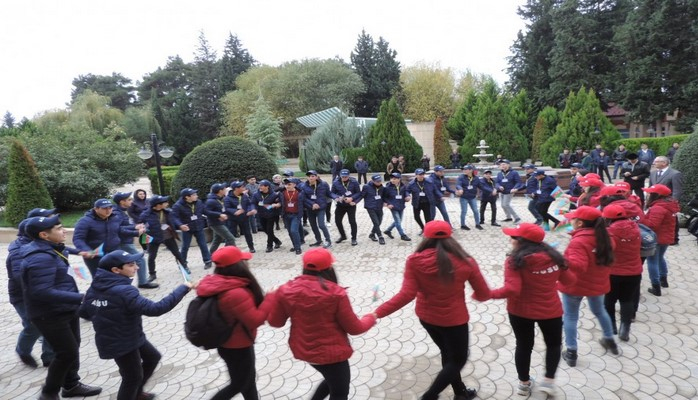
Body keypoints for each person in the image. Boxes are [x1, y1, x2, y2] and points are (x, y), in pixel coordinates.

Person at [373, 221, 490, 400]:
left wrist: (376, 313)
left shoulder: (414, 260)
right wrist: (479, 296)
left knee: (448, 354)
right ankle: (429, 396)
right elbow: (482, 293)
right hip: (454, 321)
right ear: (450, 236)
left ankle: (460, 393)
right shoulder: (466, 261)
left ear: (426, 237)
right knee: (458, 359)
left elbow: (406, 294)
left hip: (427, 318)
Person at [79, 250, 195, 400]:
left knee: (152, 357)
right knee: (132, 377)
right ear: (116, 270)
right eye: (131, 265)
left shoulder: (95, 286)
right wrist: (183, 288)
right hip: (121, 341)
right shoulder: (125, 291)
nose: (137, 267)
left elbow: (84, 312)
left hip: (128, 335)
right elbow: (156, 309)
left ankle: (137, 393)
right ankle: (133, 394)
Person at [267, 248, 376, 400]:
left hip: (305, 350)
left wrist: (271, 298)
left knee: (332, 380)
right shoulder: (337, 294)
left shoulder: (285, 291)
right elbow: (355, 328)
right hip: (332, 354)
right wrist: (371, 317)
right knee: (339, 392)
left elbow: (275, 322)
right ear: (330, 268)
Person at [485, 223, 573, 397]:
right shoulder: (555, 257)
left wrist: (488, 294)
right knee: (554, 345)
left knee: (524, 345)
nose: (510, 240)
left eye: (513, 237)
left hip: (520, 310)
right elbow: (569, 280)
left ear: (522, 241)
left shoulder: (514, 261)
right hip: (550, 310)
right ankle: (548, 382)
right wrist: (550, 285)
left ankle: (524, 384)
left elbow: (512, 289)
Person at [20, 215, 102, 399]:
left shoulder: (52, 248)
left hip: (66, 307)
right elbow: (41, 292)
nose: (64, 230)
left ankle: (71, 385)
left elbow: (65, 250)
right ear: (44, 235)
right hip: (49, 314)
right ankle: (48, 393)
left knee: (73, 348)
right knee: (65, 352)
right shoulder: (40, 258)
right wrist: (81, 297)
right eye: (58, 228)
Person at [197, 246, 271, 400]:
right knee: (239, 384)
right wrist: (270, 299)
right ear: (237, 266)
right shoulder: (235, 293)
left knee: (247, 381)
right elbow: (255, 320)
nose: (247, 263)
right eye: (243, 261)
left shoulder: (220, 282)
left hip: (230, 343)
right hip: (238, 346)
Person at [558, 206, 618, 367]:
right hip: (597, 283)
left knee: (570, 317)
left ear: (580, 223)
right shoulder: (607, 237)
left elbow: (578, 266)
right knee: (599, 311)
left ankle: (571, 351)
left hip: (575, 285)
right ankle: (609, 339)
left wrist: (559, 259)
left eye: (573, 218)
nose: (570, 220)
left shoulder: (579, 241)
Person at [7, 217, 55, 368]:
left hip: (44, 292)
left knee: (50, 322)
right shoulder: (18, 251)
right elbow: (18, 277)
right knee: (33, 325)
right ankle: (23, 351)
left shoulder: (46, 244)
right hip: (23, 296)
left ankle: (49, 357)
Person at [601, 204, 642, 341]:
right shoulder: (635, 228)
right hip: (634, 272)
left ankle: (611, 326)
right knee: (627, 300)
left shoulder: (608, 232)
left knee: (609, 300)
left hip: (614, 272)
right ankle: (625, 328)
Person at [139, 195, 190, 282]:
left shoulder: (167, 212)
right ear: (157, 205)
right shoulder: (146, 214)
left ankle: (184, 267)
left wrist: (180, 226)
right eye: (164, 202)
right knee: (151, 256)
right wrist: (142, 231)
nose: (167, 203)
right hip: (153, 238)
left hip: (168, 236)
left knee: (177, 253)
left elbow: (174, 220)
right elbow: (140, 225)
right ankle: (152, 274)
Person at [112, 192, 156, 289]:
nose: (131, 201)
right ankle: (142, 282)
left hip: (124, 241)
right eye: (129, 200)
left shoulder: (120, 211)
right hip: (123, 242)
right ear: (122, 202)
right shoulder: (117, 213)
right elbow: (118, 229)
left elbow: (122, 226)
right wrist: (136, 232)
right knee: (140, 260)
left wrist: (135, 226)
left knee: (124, 263)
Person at [642, 184, 680, 296]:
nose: (647, 194)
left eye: (649, 192)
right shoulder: (669, 204)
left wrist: (641, 218)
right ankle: (664, 279)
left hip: (657, 238)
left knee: (652, 261)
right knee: (660, 258)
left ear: (656, 195)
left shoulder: (658, 207)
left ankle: (656, 286)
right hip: (666, 237)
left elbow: (653, 225)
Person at [72, 198, 126, 276]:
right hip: (96, 256)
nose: (108, 211)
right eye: (104, 208)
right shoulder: (85, 221)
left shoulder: (115, 218)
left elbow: (120, 229)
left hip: (114, 252)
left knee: (118, 276)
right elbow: (78, 238)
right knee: (100, 278)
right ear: (96, 209)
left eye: (110, 208)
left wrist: (134, 229)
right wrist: (87, 250)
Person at [173, 188, 212, 269]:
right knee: (185, 246)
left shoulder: (199, 202)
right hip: (187, 228)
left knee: (203, 244)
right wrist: (180, 225)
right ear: (187, 197)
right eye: (194, 195)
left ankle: (207, 261)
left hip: (198, 226)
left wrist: (218, 215)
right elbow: (174, 217)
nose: (196, 196)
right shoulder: (178, 205)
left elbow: (205, 211)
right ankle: (182, 263)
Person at [300, 170, 332, 248]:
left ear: (317, 177)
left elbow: (329, 194)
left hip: (321, 208)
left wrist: (337, 197)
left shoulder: (323, 184)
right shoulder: (304, 186)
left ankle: (328, 241)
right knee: (313, 226)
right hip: (310, 209)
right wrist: (312, 204)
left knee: (321, 225)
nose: (311, 178)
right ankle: (318, 240)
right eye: (309, 176)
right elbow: (303, 198)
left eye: (313, 176)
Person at [330, 169, 361, 246]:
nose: (344, 178)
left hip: (350, 205)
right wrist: (337, 197)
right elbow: (332, 193)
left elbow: (358, 193)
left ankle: (354, 238)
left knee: (352, 221)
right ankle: (343, 236)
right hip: (341, 205)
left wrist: (352, 198)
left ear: (349, 176)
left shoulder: (354, 182)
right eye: (342, 177)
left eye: (346, 177)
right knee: (337, 221)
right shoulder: (336, 182)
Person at [205, 183, 237, 255]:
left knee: (217, 240)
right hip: (215, 223)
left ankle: (210, 255)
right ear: (220, 191)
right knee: (231, 238)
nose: (226, 190)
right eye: (224, 189)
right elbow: (206, 212)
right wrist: (219, 215)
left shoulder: (218, 199)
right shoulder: (211, 201)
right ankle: (233, 255)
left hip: (219, 222)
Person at [407, 168, 442, 234]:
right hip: (417, 203)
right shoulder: (411, 184)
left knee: (428, 219)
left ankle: (428, 231)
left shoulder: (429, 182)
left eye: (422, 174)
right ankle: (423, 228)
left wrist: (440, 195)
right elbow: (407, 191)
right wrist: (407, 195)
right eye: (419, 174)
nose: (421, 176)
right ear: (416, 175)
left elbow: (435, 190)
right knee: (416, 217)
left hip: (427, 202)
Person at [251, 180, 283, 253]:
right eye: (260, 185)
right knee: (265, 230)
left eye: (262, 185)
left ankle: (269, 246)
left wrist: (277, 204)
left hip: (271, 215)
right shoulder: (256, 194)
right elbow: (253, 203)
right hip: (261, 214)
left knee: (269, 230)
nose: (260, 187)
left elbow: (280, 202)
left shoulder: (274, 194)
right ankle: (277, 241)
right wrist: (253, 209)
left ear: (267, 187)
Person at [225, 181, 257, 253]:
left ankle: (251, 247)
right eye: (241, 187)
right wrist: (235, 211)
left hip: (244, 218)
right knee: (231, 234)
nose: (244, 188)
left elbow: (249, 204)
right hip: (233, 219)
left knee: (247, 233)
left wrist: (251, 210)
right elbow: (227, 208)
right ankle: (228, 249)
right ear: (236, 189)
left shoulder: (244, 196)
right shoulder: (228, 198)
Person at [280, 178, 306, 255]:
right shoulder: (282, 192)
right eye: (286, 184)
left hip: (296, 215)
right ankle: (295, 245)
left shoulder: (300, 193)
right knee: (290, 232)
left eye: (289, 184)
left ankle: (298, 248)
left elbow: (305, 201)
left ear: (294, 184)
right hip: (286, 215)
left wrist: (312, 205)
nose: (287, 186)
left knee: (294, 231)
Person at [383, 172, 411, 241]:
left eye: (394, 179)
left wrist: (408, 196)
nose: (392, 180)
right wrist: (388, 204)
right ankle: (402, 235)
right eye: (391, 178)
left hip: (401, 205)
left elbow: (406, 192)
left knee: (398, 221)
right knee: (398, 221)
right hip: (393, 206)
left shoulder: (403, 186)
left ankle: (388, 230)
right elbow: (384, 197)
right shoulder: (387, 187)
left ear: (399, 179)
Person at [360, 174, 387, 245]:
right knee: (376, 222)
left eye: (380, 181)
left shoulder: (382, 188)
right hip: (370, 207)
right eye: (377, 181)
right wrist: (354, 201)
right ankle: (380, 237)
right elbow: (361, 195)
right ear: (372, 181)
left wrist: (385, 202)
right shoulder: (366, 187)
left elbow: (384, 196)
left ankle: (372, 234)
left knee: (379, 221)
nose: (379, 182)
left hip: (379, 206)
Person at [455, 164, 482, 230]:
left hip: (472, 197)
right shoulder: (461, 177)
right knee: (464, 211)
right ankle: (463, 225)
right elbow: (458, 184)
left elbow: (481, 186)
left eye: (466, 169)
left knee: (476, 211)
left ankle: (477, 224)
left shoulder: (476, 178)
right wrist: (460, 189)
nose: (464, 170)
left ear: (471, 170)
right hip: (464, 197)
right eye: (464, 169)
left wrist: (491, 189)